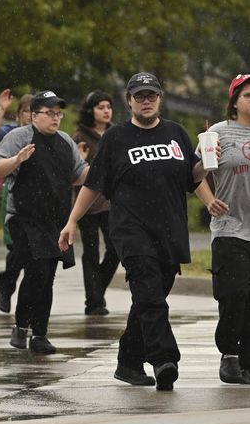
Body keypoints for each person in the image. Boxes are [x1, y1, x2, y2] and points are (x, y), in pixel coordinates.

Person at [59, 72, 210, 391]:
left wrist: (208, 162)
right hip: (130, 230)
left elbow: (191, 178)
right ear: (129, 101)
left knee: (150, 296)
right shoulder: (116, 138)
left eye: (151, 96)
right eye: (139, 96)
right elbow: (94, 184)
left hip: (170, 230)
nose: (145, 101)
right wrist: (72, 220)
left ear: (160, 99)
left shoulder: (176, 133)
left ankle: (128, 361)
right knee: (151, 294)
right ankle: (163, 359)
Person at [0, 90, 88, 354]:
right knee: (38, 271)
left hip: (56, 221)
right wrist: (18, 159)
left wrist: (102, 171)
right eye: (49, 113)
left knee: (47, 277)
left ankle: (38, 334)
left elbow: (79, 174)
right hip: (23, 217)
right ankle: (23, 327)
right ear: (34, 115)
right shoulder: (18, 137)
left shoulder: (65, 141)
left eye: (58, 113)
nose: (55, 118)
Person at [193, 74, 250, 384]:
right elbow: (194, 174)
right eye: (248, 95)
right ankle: (229, 355)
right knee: (234, 294)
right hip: (230, 228)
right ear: (234, 101)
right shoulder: (218, 133)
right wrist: (209, 200)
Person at [73, 91, 119, 316]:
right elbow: (74, 171)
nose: (106, 110)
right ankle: (94, 303)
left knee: (116, 249)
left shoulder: (117, 134)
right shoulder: (80, 136)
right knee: (90, 251)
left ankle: (95, 292)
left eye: (108, 106)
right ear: (91, 110)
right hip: (88, 204)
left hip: (112, 203)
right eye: (101, 107)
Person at [0, 94, 33, 313]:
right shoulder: (11, 133)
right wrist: (1, 109)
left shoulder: (46, 135)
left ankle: (8, 283)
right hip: (14, 195)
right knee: (17, 247)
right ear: (19, 114)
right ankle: (7, 284)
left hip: (38, 199)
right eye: (25, 111)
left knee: (30, 251)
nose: (29, 116)